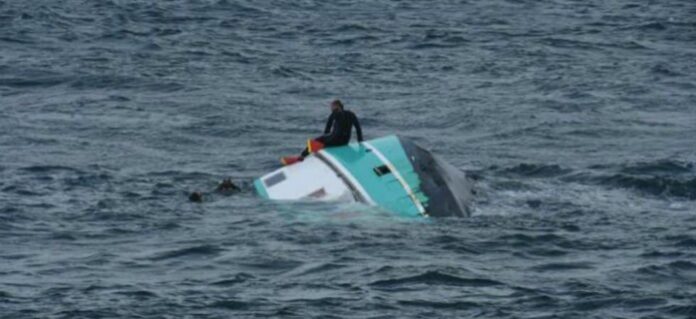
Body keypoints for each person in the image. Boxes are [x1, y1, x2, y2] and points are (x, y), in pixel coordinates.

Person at [298, 99, 363, 159]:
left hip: (335, 141)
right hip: (345, 141)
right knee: (326, 138)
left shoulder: (335, 114)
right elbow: (358, 129)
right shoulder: (351, 114)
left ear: (338, 107)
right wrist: (360, 142)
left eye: (332, 107)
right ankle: (324, 146)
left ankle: (302, 156)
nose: (331, 109)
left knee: (316, 141)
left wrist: (324, 139)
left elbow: (327, 128)